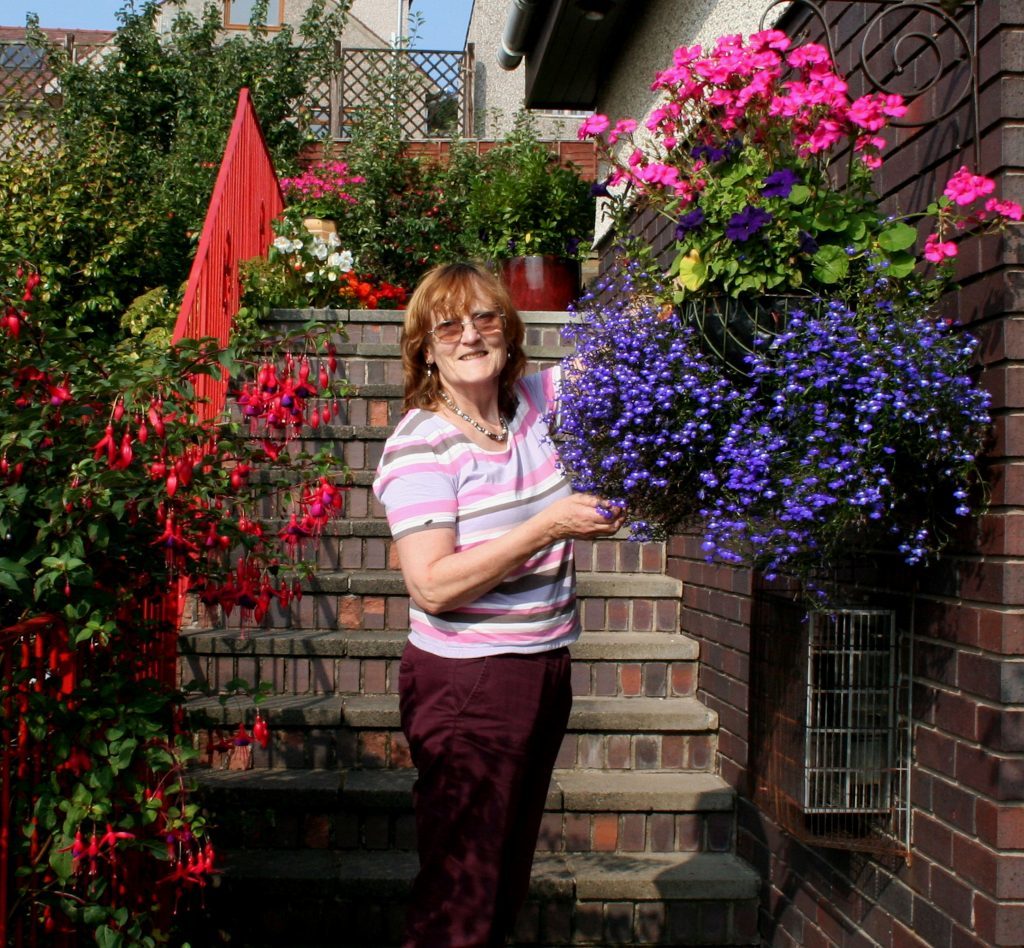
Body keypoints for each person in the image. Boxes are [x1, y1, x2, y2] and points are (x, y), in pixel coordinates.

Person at [372, 262, 624, 947]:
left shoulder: (535, 405)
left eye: (486, 318)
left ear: (510, 334)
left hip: (542, 669)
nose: (470, 335)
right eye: (448, 325)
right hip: (470, 686)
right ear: (426, 347)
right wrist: (549, 524)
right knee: (463, 892)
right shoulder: (421, 446)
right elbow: (433, 585)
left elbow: (634, 347)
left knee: (504, 877)